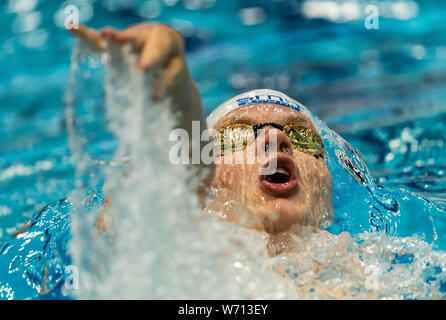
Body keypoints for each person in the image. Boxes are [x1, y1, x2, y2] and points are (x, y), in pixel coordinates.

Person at [68, 22, 334, 236]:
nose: (276, 137)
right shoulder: (167, 257)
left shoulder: (371, 263)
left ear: (328, 185)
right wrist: (175, 88)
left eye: (303, 136)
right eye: (236, 134)